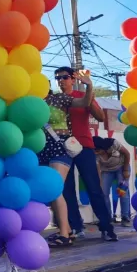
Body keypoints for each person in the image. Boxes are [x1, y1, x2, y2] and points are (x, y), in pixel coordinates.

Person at [54, 67, 117, 242]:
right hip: (61, 148)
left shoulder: (82, 97)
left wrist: (89, 89)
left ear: (73, 79)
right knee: (65, 190)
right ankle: (75, 226)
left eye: (65, 77)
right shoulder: (55, 100)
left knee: (93, 187)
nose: (61, 80)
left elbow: (100, 117)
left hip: (84, 147)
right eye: (58, 78)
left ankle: (106, 227)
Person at [39, 74, 97, 247]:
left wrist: (88, 86)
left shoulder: (59, 98)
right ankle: (67, 230)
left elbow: (84, 103)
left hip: (59, 145)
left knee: (55, 188)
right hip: (42, 148)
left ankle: (64, 233)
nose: (60, 80)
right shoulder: (28, 103)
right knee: (51, 191)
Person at [93, 136, 132, 226]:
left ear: (103, 147)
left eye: (98, 150)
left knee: (123, 192)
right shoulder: (95, 154)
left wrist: (125, 169)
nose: (96, 152)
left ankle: (125, 217)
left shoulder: (114, 144)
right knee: (104, 193)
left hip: (122, 167)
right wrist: (100, 182)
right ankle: (108, 217)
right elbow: (98, 169)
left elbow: (127, 154)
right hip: (106, 170)